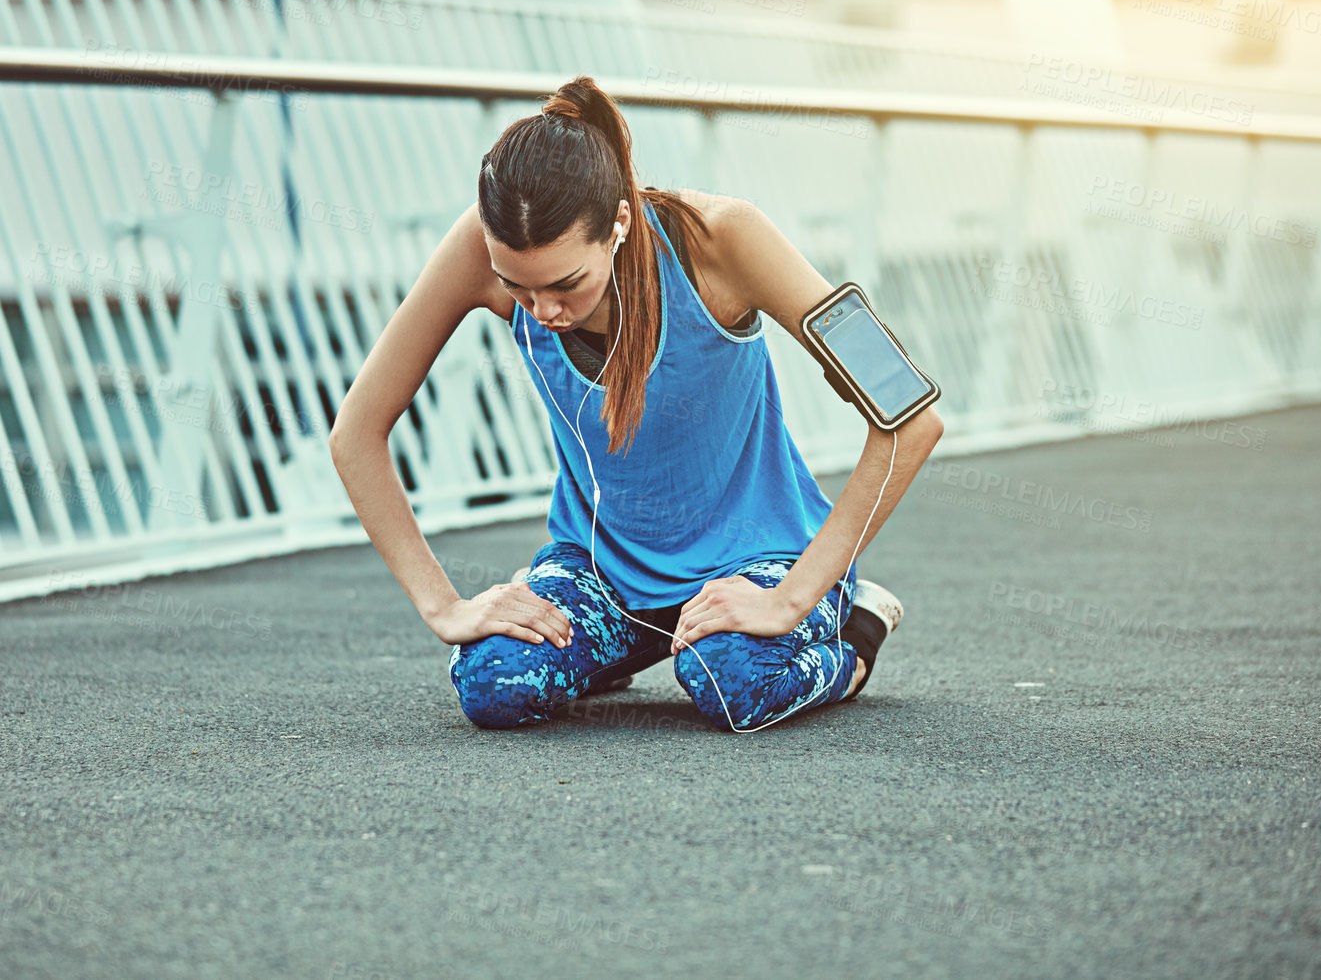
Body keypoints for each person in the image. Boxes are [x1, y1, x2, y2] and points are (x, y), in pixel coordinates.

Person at [328, 76, 944, 731]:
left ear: (619, 222)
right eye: (518, 288)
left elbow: (912, 418)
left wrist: (793, 597)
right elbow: (357, 433)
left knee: (732, 680)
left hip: (759, 559)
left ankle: (855, 635)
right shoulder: (478, 246)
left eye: (566, 285)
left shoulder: (723, 238)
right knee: (494, 683)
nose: (543, 311)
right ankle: (610, 651)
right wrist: (445, 607)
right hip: (606, 573)